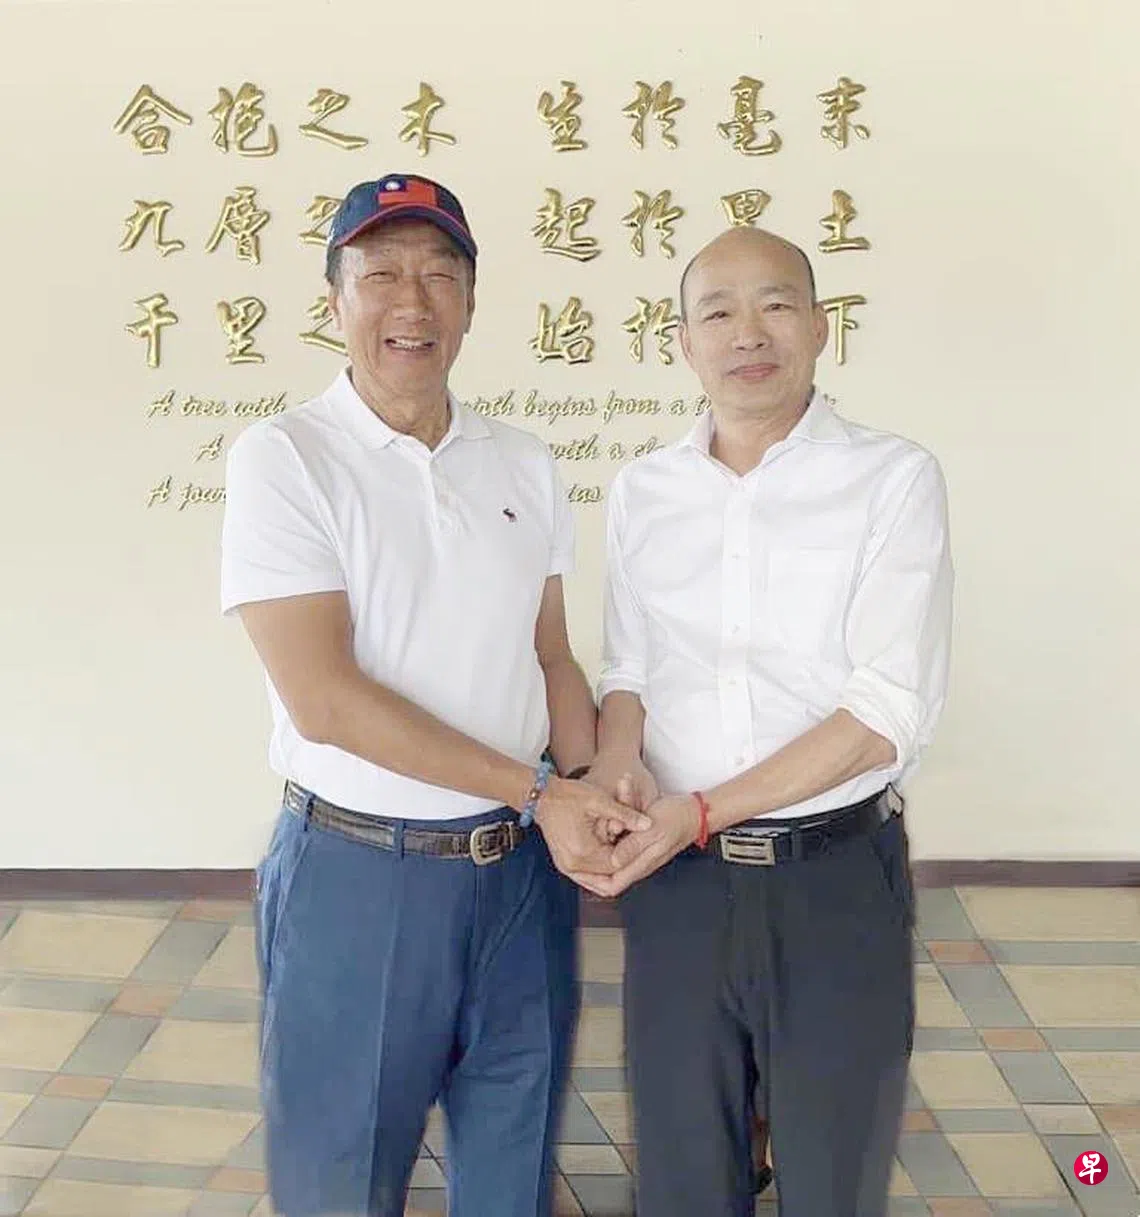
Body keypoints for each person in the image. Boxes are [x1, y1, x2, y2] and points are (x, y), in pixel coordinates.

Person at [220, 172, 647, 1217]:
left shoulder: (523, 461)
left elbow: (550, 657)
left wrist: (594, 786)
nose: (412, 302)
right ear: (335, 300)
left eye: (439, 275)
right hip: (362, 878)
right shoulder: (286, 459)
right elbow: (323, 697)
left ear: (469, 302)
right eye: (381, 275)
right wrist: (539, 789)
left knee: (512, 1171)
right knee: (343, 1183)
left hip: (521, 883)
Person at [587, 225, 953, 1217]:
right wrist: (617, 759)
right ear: (682, 342)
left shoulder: (893, 478)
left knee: (834, 1175)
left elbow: (884, 710)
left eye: (776, 305)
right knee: (684, 1178)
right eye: (718, 312)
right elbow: (629, 670)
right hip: (680, 889)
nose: (748, 333)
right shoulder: (645, 490)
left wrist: (703, 807)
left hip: (832, 879)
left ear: (821, 327)